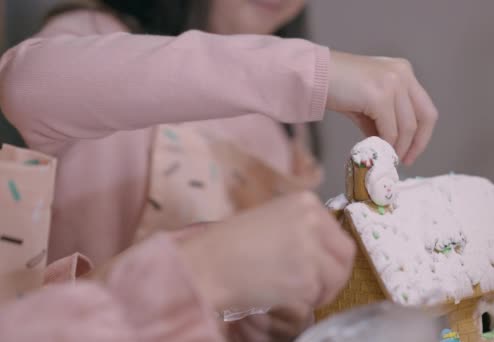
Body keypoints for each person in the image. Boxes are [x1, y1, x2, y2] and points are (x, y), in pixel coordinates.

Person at [0, 0, 438, 340]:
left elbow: (239, 300)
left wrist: (272, 314)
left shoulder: (286, 133)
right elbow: (25, 85)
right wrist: (302, 68)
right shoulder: (94, 38)